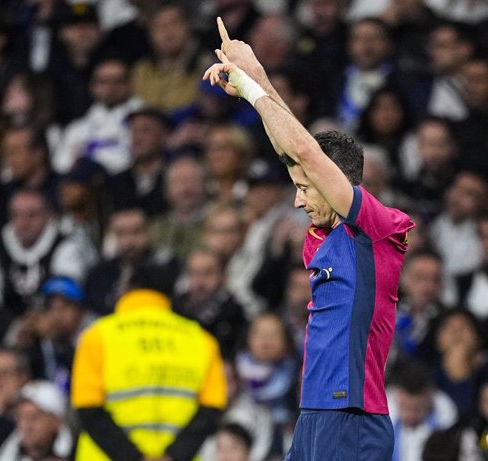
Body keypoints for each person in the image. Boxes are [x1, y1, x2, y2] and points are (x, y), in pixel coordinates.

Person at [204, 17, 415, 460]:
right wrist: (255, 74)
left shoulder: (373, 229)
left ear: (336, 181)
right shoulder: (326, 233)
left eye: (304, 190)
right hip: (315, 413)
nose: (298, 202)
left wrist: (251, 89)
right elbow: (296, 150)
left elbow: (303, 152)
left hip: (352, 416)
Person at [71, 264, 227, 460]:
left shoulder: (97, 336)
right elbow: (211, 410)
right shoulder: (202, 340)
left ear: (127, 289)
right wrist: (173, 456)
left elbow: (88, 409)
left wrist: (134, 457)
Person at [0, 380, 70, 461]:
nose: (26, 425)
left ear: (56, 421)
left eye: (34, 417)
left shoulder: (75, 453)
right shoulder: (7, 453)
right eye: (20, 417)